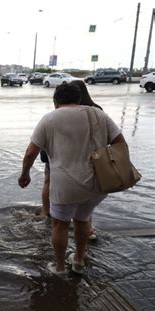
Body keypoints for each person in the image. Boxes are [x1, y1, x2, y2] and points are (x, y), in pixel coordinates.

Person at [18, 82, 125, 275]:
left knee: (60, 225)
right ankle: (78, 260)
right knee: (82, 221)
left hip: (65, 186)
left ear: (55, 101)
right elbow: (119, 143)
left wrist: (24, 174)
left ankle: (59, 267)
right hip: (97, 184)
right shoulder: (98, 114)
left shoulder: (49, 119)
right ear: (78, 99)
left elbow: (31, 152)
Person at [40, 80, 102, 240]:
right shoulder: (97, 111)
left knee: (48, 182)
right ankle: (88, 231)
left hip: (60, 157)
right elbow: (114, 141)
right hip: (91, 161)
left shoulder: (55, 114)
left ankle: (48, 215)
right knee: (86, 202)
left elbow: (34, 148)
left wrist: (25, 173)